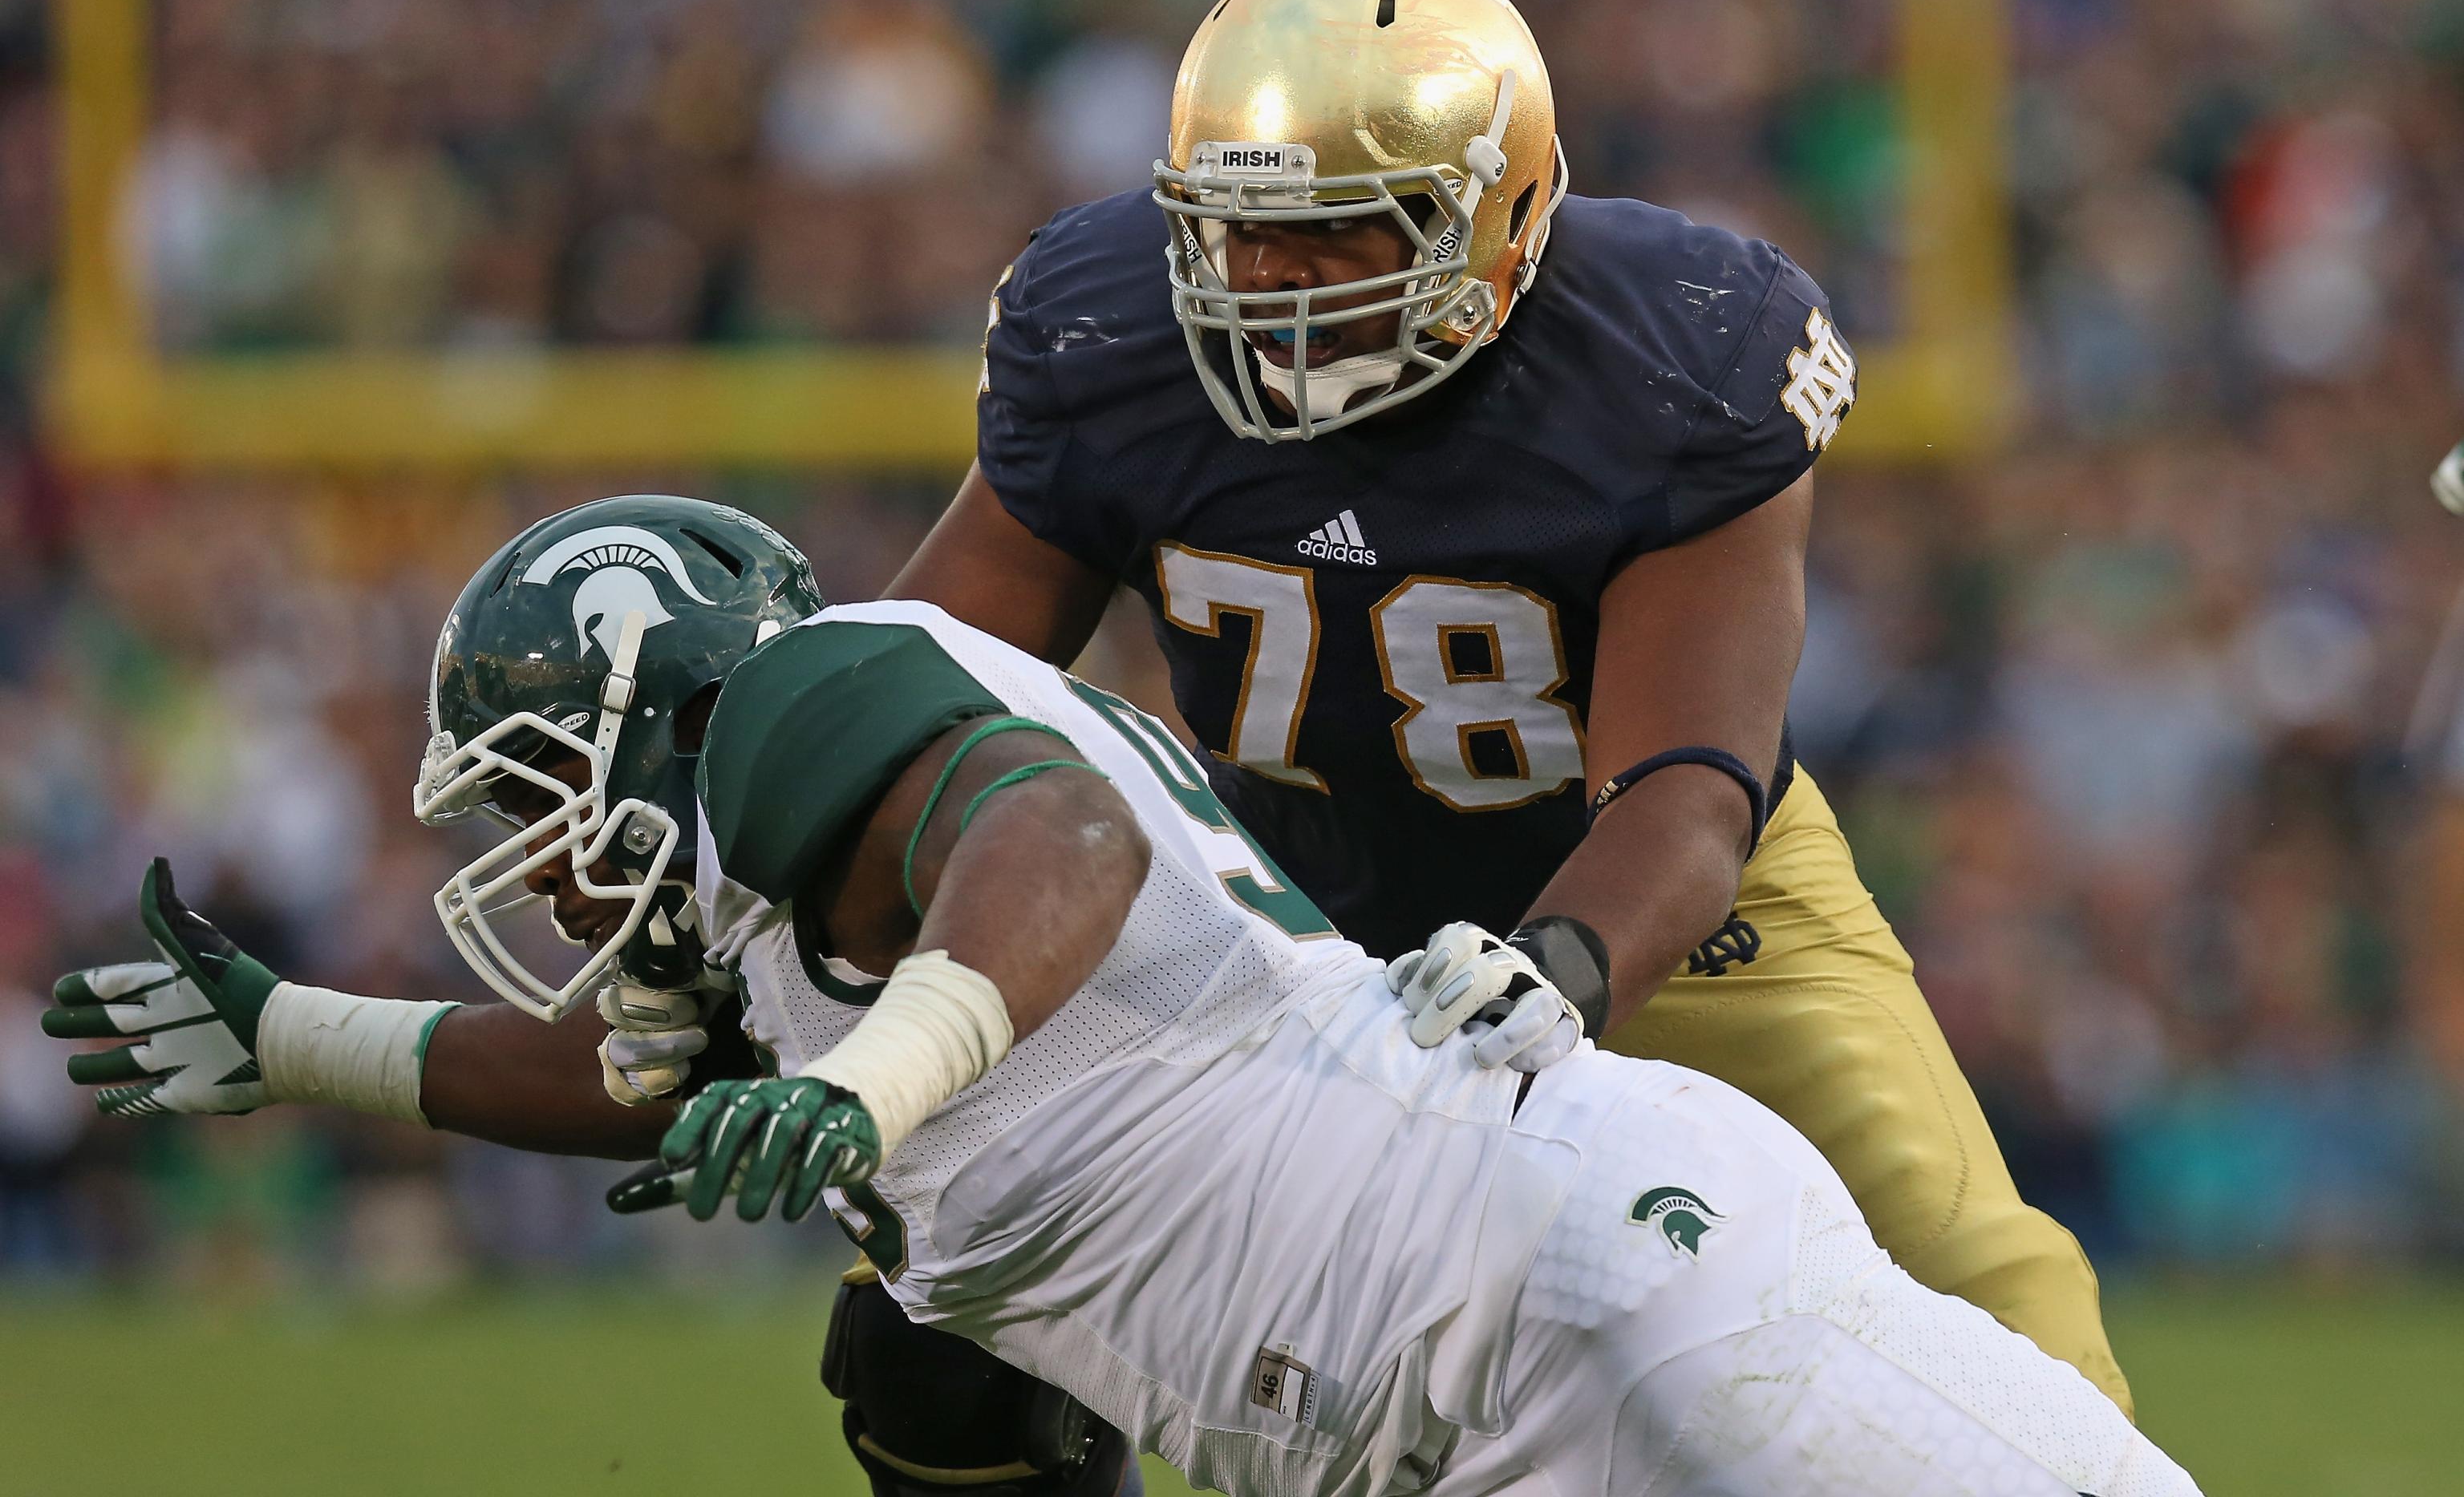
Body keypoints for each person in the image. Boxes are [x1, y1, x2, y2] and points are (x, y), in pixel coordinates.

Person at [48, 496, 2196, 1497]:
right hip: (1432, 1426)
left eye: (553, 781)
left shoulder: (819, 702)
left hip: (1594, 1284)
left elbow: (1045, 837)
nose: (549, 853)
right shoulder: (805, 933)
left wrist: (881, 1088)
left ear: (664, 698)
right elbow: (652, 1083)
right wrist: (299, 1041)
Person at [865, 0, 2134, 1419]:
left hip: (1661, 906)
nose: (1267, 280)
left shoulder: (1674, 354)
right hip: (1282, 909)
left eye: (1339, 234)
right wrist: (732, 901)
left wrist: (1566, 971)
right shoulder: (1108, 334)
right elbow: (924, 691)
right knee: (935, 1330)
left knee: (1979, 1298)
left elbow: (1685, 794)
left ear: (1495, 216)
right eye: (1238, 228)